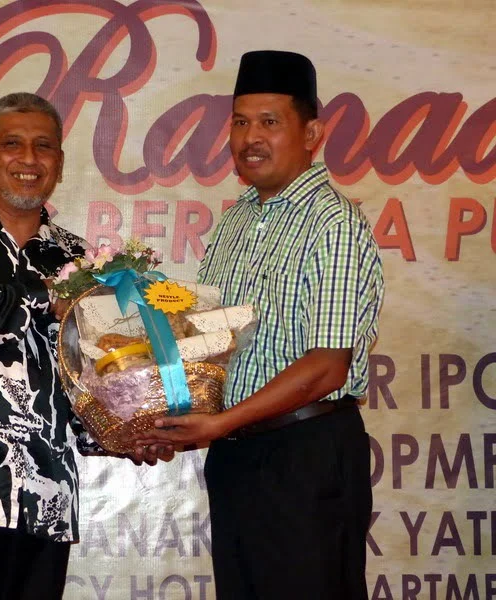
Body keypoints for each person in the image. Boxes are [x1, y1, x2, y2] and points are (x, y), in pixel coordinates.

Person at [0, 92, 170, 600]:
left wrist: (126, 431)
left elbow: (83, 382)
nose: (29, 159)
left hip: (43, 503)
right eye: (12, 144)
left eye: (44, 147)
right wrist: (50, 296)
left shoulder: (77, 258)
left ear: (59, 164)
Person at [135, 51, 385, 599]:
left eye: (270, 122)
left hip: (307, 455)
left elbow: (327, 366)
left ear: (312, 132)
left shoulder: (333, 223)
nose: (251, 137)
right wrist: (150, 417)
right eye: (241, 122)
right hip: (238, 454)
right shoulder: (235, 221)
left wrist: (219, 425)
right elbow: (205, 345)